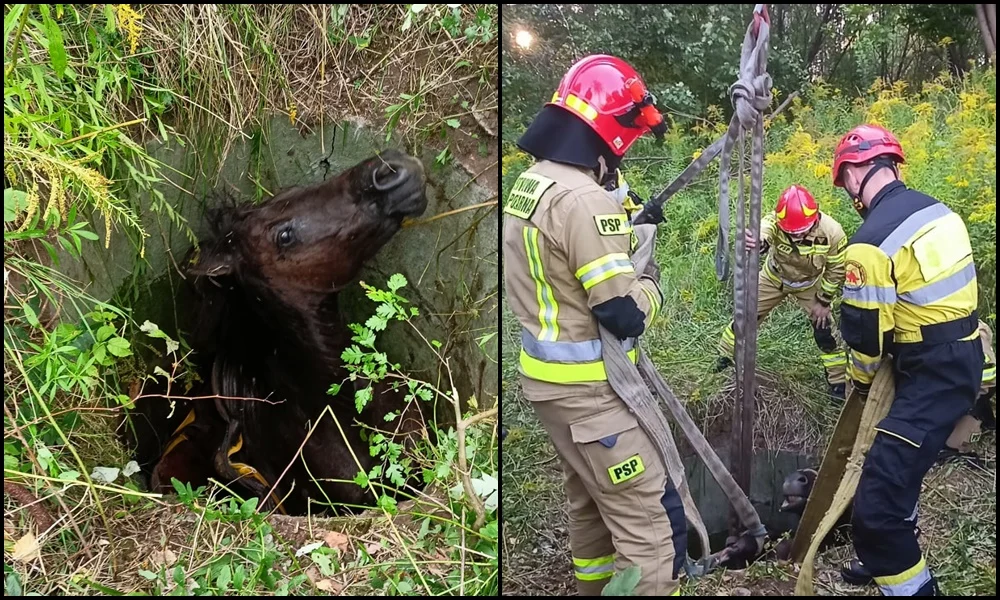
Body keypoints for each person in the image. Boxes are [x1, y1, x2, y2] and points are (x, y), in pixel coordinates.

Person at [501, 54, 685, 596]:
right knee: (648, 528)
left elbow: (566, 263)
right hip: (593, 397)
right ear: (611, 133)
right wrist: (651, 281)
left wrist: (628, 226)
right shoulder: (584, 201)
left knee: (590, 504)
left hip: (550, 391)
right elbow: (621, 314)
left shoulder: (532, 183)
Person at [832, 124, 983, 596]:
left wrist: (858, 385)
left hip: (930, 375)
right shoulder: (940, 211)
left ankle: (911, 583)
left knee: (876, 508)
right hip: (963, 358)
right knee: (900, 467)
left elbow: (866, 342)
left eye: (845, 182)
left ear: (855, 173)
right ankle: (890, 555)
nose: (848, 194)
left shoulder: (869, 244)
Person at [713, 185, 849, 401]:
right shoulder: (775, 222)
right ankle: (724, 357)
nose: (797, 237)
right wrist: (759, 240)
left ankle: (838, 382)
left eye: (802, 232)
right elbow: (765, 228)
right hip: (773, 278)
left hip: (809, 285)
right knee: (745, 316)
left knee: (826, 332)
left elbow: (836, 269)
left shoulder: (832, 232)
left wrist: (823, 301)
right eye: (792, 233)